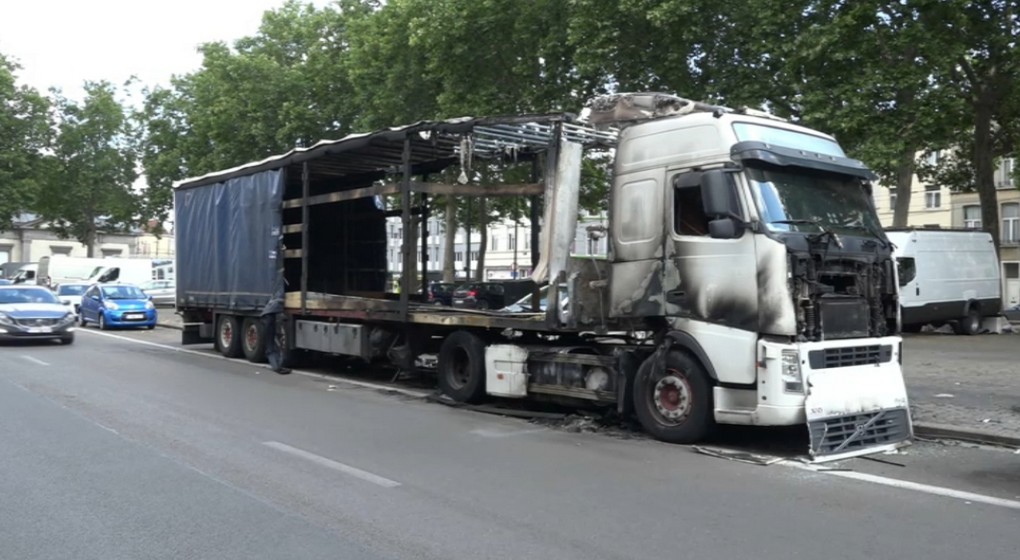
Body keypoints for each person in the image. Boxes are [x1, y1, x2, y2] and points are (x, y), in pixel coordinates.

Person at [261, 287, 291, 375]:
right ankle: (277, 367)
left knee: (272, 345)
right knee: (272, 346)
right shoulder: (276, 305)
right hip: (268, 321)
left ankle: (278, 366)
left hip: (267, 320)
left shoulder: (272, 304)